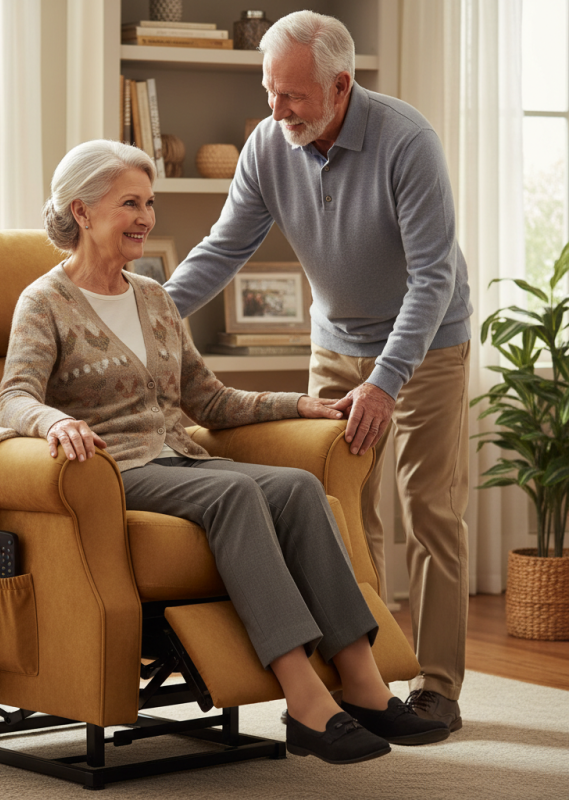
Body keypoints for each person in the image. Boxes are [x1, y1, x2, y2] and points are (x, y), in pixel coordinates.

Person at [0, 139, 449, 765]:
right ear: (82, 210)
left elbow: (208, 400)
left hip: (181, 458)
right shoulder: (44, 301)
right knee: (234, 492)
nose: (146, 217)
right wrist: (54, 422)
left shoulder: (154, 297)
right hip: (114, 468)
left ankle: (363, 683)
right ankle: (304, 699)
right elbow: (14, 395)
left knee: (297, 487)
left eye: (149, 203)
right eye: (130, 204)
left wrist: (298, 405)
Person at [162, 10, 471, 733]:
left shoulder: (407, 141)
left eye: (293, 95)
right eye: (269, 92)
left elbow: (432, 277)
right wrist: (144, 313)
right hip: (334, 345)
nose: (277, 111)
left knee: (429, 508)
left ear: (341, 85)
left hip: (426, 346)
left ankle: (438, 684)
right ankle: (366, 678)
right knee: (340, 513)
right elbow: (223, 248)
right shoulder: (268, 144)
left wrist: (386, 381)